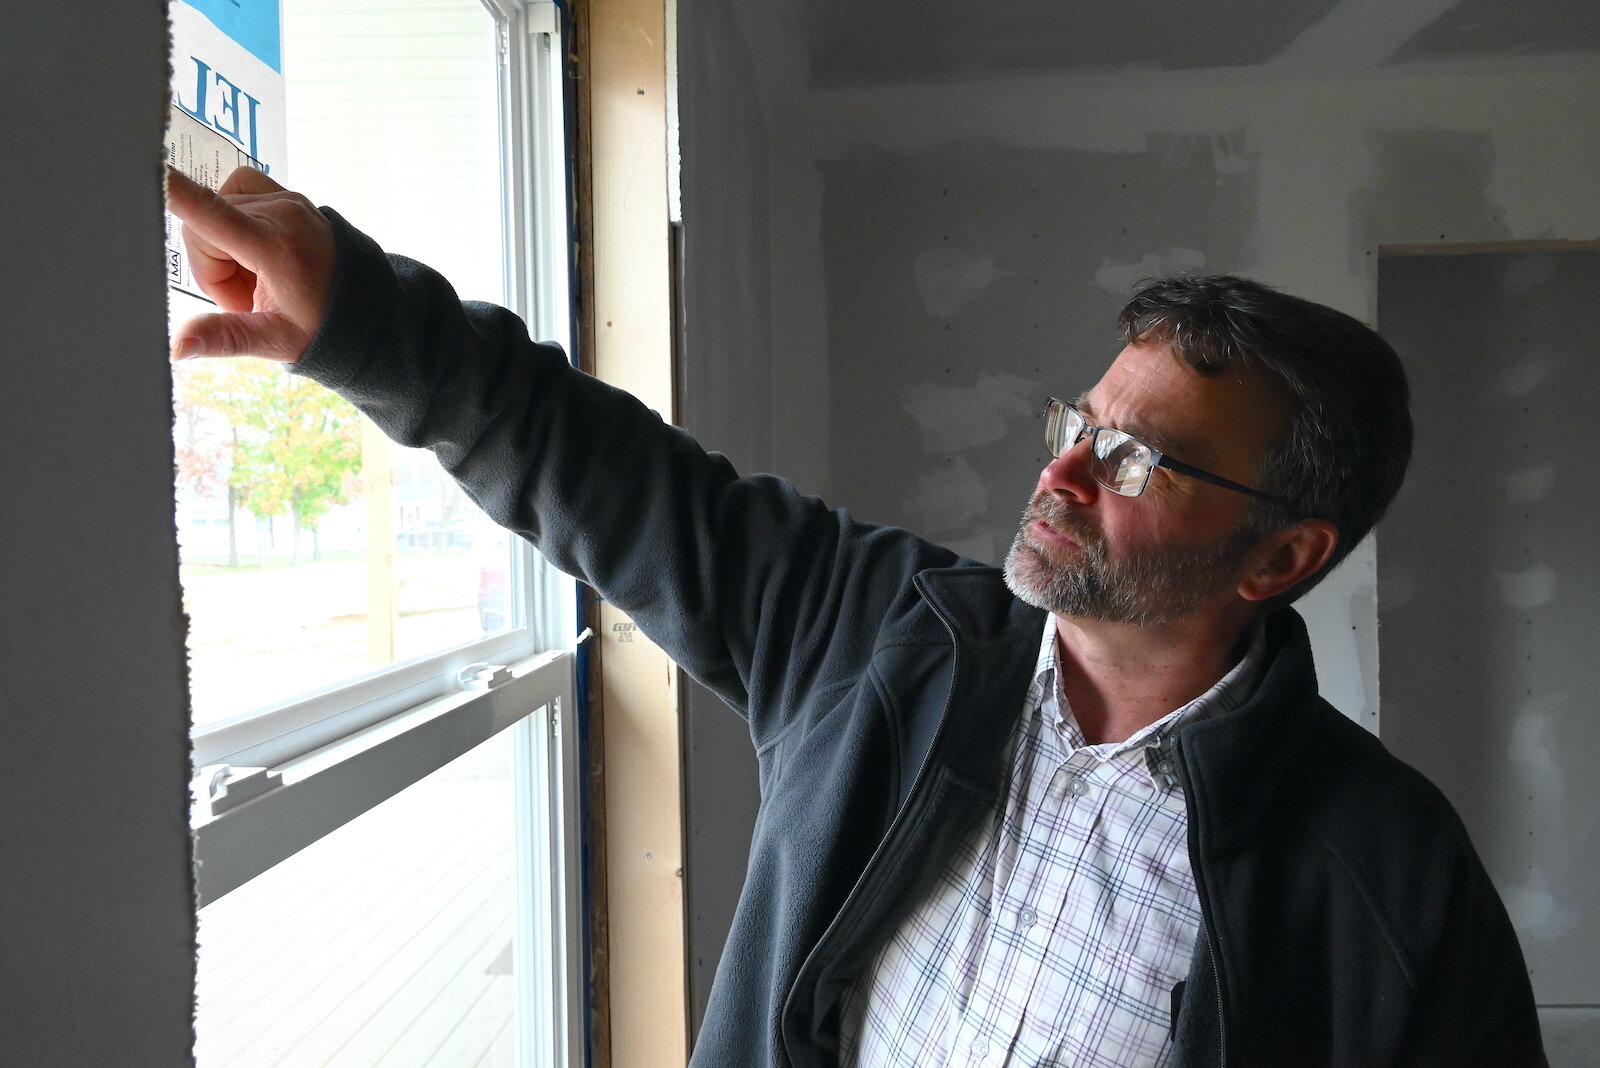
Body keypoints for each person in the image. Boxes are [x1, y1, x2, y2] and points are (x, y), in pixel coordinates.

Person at [166, 166, 1546, 1068]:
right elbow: (605, 471)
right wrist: (357, 318)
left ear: (1280, 555)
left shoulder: (1388, 871)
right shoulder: (885, 637)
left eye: (1136, 461)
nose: (1059, 471)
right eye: (1082, 420)